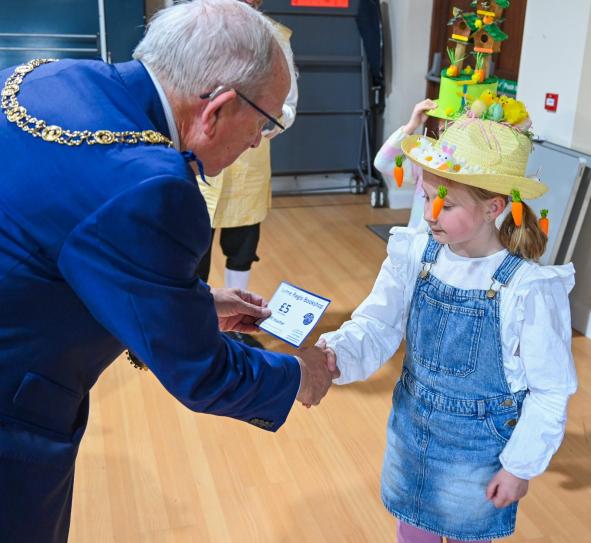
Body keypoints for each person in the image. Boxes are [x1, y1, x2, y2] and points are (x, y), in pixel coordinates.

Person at [0, 1, 336, 541]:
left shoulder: (42, 77)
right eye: (263, 124)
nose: (257, 142)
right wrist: (299, 374)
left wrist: (192, 302)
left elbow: (63, 242)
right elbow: (199, 372)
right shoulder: (152, 187)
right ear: (217, 109)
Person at [319, 103, 577, 542]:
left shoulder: (528, 289)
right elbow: (377, 323)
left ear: (493, 207)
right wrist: (336, 355)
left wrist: (519, 466)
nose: (430, 214)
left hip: (478, 455)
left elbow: (550, 390)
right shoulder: (413, 254)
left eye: (447, 204)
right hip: (410, 432)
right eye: (426, 198)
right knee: (411, 531)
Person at [196, 0, 298, 349]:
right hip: (201, 149)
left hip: (250, 153)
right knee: (194, 242)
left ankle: (236, 323)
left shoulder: (277, 38)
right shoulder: (202, 27)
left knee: (242, 242)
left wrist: (265, 119)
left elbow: (289, 104)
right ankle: (193, 320)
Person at [374, 99, 437, 229]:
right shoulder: (426, 164)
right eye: (442, 129)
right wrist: (411, 126)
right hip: (417, 239)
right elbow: (382, 163)